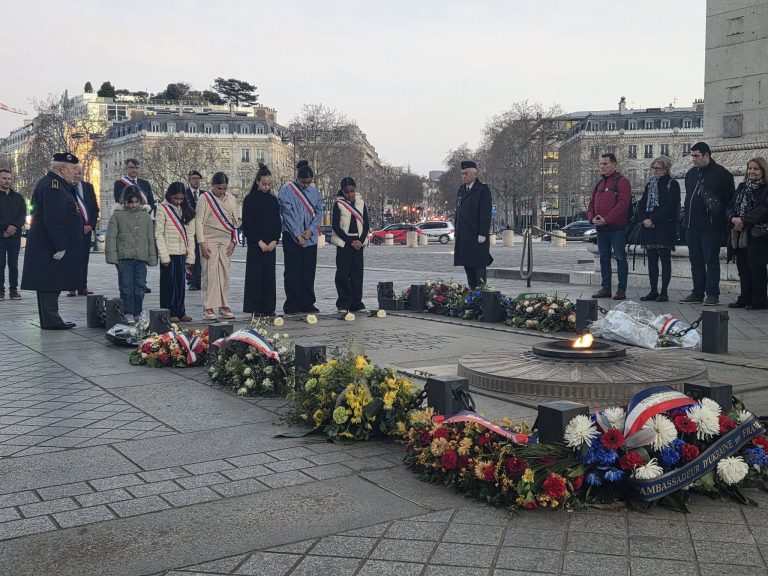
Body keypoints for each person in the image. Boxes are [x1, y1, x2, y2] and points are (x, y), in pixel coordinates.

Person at [20, 153, 84, 329]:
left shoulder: (55, 184)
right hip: (49, 246)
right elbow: (53, 219)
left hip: (46, 244)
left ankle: (51, 319)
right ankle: (51, 320)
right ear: (63, 168)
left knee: (50, 282)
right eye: (72, 169)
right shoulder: (53, 186)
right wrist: (60, 246)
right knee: (49, 283)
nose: (75, 172)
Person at [681, 142, 735, 306]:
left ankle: (712, 293)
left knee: (711, 261)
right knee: (695, 261)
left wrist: (719, 220)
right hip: (691, 225)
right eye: (692, 156)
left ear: (706, 155)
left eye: (697, 156)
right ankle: (697, 292)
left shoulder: (721, 174)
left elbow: (729, 200)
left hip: (711, 227)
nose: (694, 159)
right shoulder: (691, 173)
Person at [105, 187, 157, 324]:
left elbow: (150, 238)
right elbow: (111, 237)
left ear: (140, 201)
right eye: (131, 202)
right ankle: (127, 312)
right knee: (126, 287)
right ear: (125, 201)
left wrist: (152, 257)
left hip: (141, 258)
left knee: (140, 288)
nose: (133, 205)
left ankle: (138, 312)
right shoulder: (117, 216)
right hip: (124, 259)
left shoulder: (145, 217)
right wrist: (113, 258)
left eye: (136, 202)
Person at [278, 160, 323, 314]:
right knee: (293, 272)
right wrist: (298, 234)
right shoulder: (286, 189)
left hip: (310, 237)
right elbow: (286, 214)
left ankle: (308, 303)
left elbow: (319, 211)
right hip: (292, 236)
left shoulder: (314, 191)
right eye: (303, 182)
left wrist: (311, 230)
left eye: (309, 182)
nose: (305, 185)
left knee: (309, 271)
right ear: (297, 178)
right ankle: (292, 304)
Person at [636, 156, 681, 302]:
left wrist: (653, 219)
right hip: (648, 226)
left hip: (664, 226)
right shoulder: (650, 184)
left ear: (665, 169)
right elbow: (642, 204)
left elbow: (670, 206)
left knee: (664, 259)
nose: (655, 171)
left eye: (658, 168)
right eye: (653, 168)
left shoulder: (672, 183)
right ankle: (653, 290)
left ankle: (664, 292)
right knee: (652, 260)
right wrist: (644, 219)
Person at [195, 172, 239, 321]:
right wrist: (201, 243)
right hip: (209, 238)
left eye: (224, 188)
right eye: (219, 188)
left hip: (226, 238)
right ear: (212, 185)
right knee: (210, 272)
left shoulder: (231, 198)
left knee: (224, 273)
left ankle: (223, 305)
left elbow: (234, 222)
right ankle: (207, 307)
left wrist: (234, 241)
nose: (221, 191)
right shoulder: (205, 198)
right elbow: (198, 222)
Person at [588, 153, 632, 300]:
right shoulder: (599, 184)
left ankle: (621, 290)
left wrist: (607, 219)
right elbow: (591, 204)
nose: (602, 166)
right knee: (603, 259)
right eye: (600, 164)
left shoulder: (622, 182)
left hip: (616, 229)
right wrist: (592, 218)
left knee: (620, 258)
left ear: (614, 164)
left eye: (605, 164)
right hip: (601, 229)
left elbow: (623, 205)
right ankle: (605, 288)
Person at [726, 157, 768, 310]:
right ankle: (745, 297)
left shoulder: (766, 188)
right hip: (739, 233)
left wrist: (743, 220)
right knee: (743, 267)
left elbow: (763, 209)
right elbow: (730, 205)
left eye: (756, 169)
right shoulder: (742, 187)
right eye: (750, 168)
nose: (751, 172)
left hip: (757, 233)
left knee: (756, 268)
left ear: (762, 171)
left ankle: (759, 299)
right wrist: (733, 218)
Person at [241, 163, 281, 317]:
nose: (266, 187)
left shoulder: (273, 200)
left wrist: (274, 241)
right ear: (257, 182)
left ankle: (269, 306)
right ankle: (255, 306)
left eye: (269, 184)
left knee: (269, 276)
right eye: (264, 184)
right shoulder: (250, 199)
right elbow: (248, 223)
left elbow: (277, 223)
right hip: (256, 244)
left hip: (270, 244)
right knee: (255, 276)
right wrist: (258, 241)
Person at [155, 182, 196, 323]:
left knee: (180, 284)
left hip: (181, 252)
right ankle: (169, 311)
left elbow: (190, 235)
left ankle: (180, 311)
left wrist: (190, 255)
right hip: (169, 252)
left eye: (181, 199)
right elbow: (158, 234)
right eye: (176, 199)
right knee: (169, 284)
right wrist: (164, 255)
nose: (178, 201)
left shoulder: (186, 210)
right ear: (170, 196)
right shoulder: (162, 209)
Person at [114, 158, 155, 294]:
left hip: (142, 219)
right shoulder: (119, 183)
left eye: (137, 168)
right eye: (131, 168)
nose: (134, 170)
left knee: (141, 250)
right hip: (127, 220)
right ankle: (127, 282)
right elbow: (119, 200)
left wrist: (146, 209)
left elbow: (151, 201)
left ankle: (141, 282)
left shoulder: (145, 183)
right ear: (127, 168)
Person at [331, 176, 370, 313]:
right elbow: (335, 225)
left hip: (358, 243)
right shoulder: (339, 204)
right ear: (342, 191)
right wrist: (350, 241)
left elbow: (366, 224)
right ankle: (343, 303)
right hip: (344, 243)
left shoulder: (361, 204)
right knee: (342, 274)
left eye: (352, 191)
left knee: (357, 274)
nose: (350, 195)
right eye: (347, 192)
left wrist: (361, 240)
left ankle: (356, 303)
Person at [454, 160, 493, 289]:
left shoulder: (482, 189)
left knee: (478, 269)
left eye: (466, 173)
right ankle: (472, 296)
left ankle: (482, 296)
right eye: (462, 174)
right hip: (464, 236)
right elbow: (458, 212)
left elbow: (485, 214)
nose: (463, 176)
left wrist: (482, 233)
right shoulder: (461, 189)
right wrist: (457, 230)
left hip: (476, 236)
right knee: (468, 268)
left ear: (474, 174)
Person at [67, 165, 99, 297]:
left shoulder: (88, 187)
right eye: (75, 172)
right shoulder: (66, 187)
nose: (77, 175)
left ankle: (82, 286)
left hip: (86, 230)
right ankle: (71, 287)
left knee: (84, 259)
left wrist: (90, 225)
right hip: (71, 231)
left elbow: (94, 209)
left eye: (80, 173)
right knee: (72, 259)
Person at [0, 168, 26, 301]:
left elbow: (22, 215)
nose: (7, 181)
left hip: (14, 236)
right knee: (0, 264)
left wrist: (14, 227)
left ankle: (14, 290)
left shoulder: (18, 197)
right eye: (4, 178)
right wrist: (5, 228)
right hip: (0, 236)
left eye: (9, 178)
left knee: (13, 264)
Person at [185, 170, 203, 291]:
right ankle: (191, 281)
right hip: (189, 229)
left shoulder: (205, 194)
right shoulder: (184, 194)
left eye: (198, 178)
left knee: (201, 256)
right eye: (194, 178)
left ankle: (200, 279)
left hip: (202, 229)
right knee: (191, 255)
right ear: (189, 180)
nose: (196, 180)